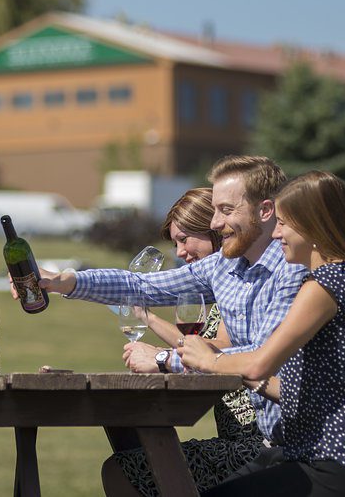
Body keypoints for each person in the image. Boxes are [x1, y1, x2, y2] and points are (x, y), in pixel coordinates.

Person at [31, 155, 307, 491]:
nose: (215, 223)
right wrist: (64, 281)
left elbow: (262, 354)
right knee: (130, 466)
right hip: (268, 445)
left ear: (265, 211)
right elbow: (142, 285)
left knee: (131, 470)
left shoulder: (292, 269)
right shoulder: (224, 267)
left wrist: (165, 359)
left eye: (225, 210)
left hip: (295, 450)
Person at [179, 171, 345, 497]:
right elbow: (301, 389)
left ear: (313, 226)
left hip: (338, 463)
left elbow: (260, 363)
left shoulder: (329, 282)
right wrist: (246, 377)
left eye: (284, 223)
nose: (276, 235)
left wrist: (210, 359)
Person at [106, 187, 266, 496]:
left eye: (184, 239)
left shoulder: (242, 287)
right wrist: (149, 319)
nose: (179, 252)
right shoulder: (225, 286)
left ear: (214, 230)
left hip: (256, 447)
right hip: (242, 440)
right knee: (136, 462)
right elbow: (197, 344)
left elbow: (218, 351)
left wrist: (160, 358)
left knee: (122, 470)